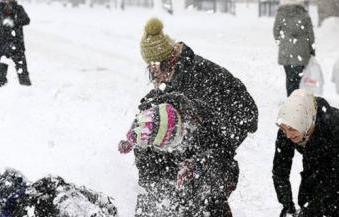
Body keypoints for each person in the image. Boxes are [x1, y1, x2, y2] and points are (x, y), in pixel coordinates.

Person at [120, 18, 258, 217]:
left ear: (167, 61)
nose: (153, 75)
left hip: (224, 133)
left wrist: (202, 159)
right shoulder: (174, 80)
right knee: (169, 189)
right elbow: (156, 110)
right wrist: (138, 134)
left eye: (154, 67)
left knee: (203, 196)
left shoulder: (200, 78)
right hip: (193, 136)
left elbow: (245, 117)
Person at [272, 89, 339, 217]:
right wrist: (287, 205)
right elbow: (280, 170)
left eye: (291, 129)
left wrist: (311, 209)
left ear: (305, 122)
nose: (288, 135)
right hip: (316, 153)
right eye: (283, 129)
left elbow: (332, 180)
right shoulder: (288, 125)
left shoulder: (333, 127)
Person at [0, 168, 118, 217]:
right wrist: (102, 201)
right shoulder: (44, 185)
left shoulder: (13, 205)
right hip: (50, 195)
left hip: (44, 201)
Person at [273, 0, 315, 96]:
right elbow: (310, 34)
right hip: (302, 50)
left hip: (286, 51)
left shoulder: (281, 13)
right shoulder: (304, 13)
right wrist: (312, 49)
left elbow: (276, 31)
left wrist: (282, 43)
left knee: (289, 78)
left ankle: (291, 99)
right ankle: (298, 99)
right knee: (299, 78)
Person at [0, 0, 31, 87]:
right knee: (2, 75)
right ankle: (2, 93)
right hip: (2, 47)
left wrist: (14, 22)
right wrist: (1, 24)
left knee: (23, 73)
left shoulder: (18, 8)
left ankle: (27, 93)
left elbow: (26, 20)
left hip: (17, 45)